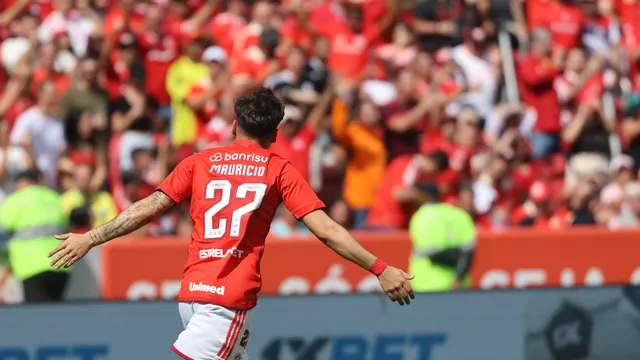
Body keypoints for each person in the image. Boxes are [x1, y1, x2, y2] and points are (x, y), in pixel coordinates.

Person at [49, 88, 414, 360]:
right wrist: (379, 268)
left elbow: (147, 208)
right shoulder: (278, 169)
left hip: (192, 292)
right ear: (275, 134)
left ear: (235, 124)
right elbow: (327, 230)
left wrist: (92, 237)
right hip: (226, 298)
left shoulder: (200, 162)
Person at [0, 169, 69, 302]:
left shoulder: (17, 199)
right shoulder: (54, 197)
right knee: (55, 310)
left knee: (37, 314)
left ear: (23, 183)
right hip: (62, 267)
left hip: (32, 267)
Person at [408, 184, 476, 292]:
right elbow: (468, 252)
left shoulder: (422, 216)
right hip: (458, 286)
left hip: (427, 285)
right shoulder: (460, 214)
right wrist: (459, 276)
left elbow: (431, 252)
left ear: (423, 195)